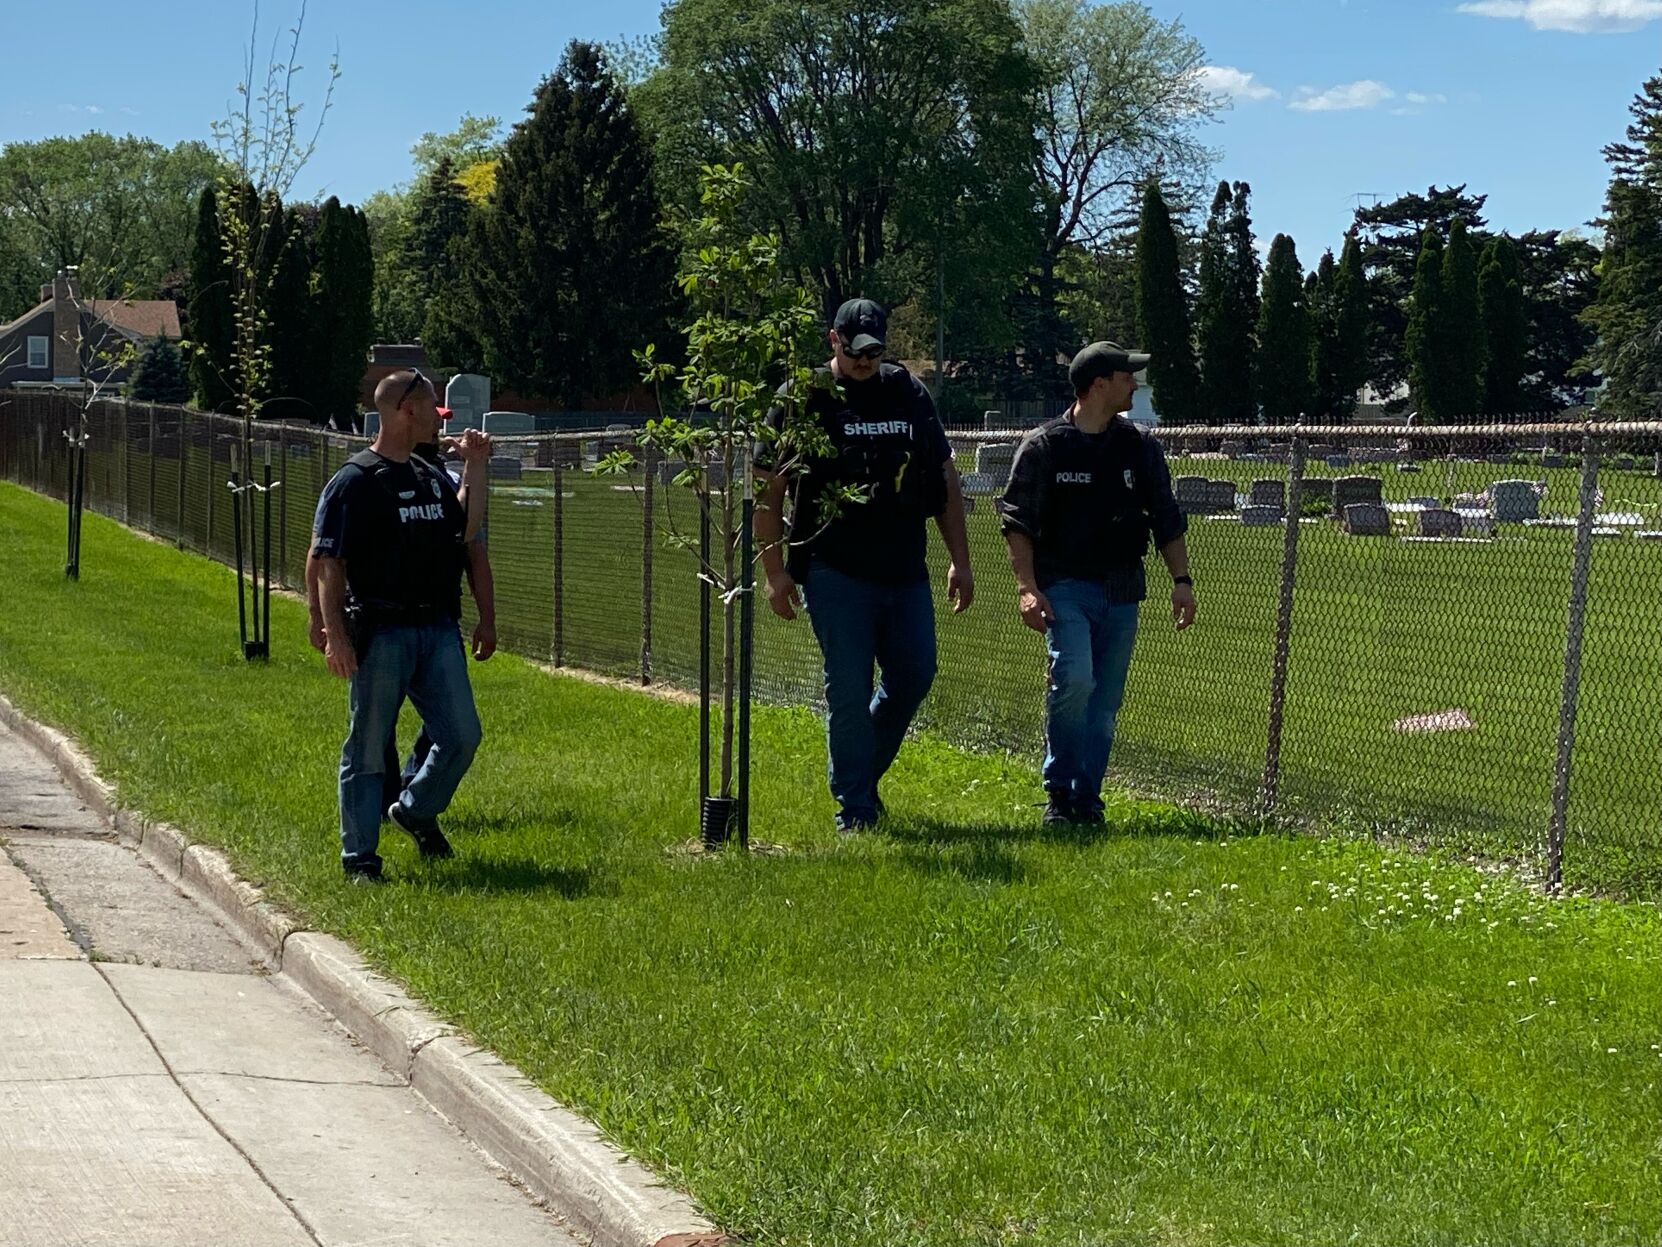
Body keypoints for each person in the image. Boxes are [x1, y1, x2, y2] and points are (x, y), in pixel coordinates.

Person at [755, 297, 974, 833]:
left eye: (874, 352)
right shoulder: (804, 397)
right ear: (834, 340)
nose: (864, 362)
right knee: (848, 684)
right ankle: (855, 808)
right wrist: (774, 572)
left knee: (916, 673)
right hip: (833, 566)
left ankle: (858, 771)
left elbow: (944, 480)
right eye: (854, 351)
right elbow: (770, 486)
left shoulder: (908, 393)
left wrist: (960, 562)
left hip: (903, 567)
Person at [997, 342, 1196, 826]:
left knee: (1104, 706)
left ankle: (1087, 799)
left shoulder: (1139, 446)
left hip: (1122, 590)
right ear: (1099, 384)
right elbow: (1017, 521)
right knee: (1075, 679)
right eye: (1127, 377)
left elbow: (1165, 516)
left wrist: (1182, 580)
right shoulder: (1046, 446)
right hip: (1064, 587)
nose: (1135, 384)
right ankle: (1059, 792)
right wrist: (1027, 587)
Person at [309, 368, 491, 881]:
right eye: (433, 408)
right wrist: (334, 635)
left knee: (461, 736)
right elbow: (329, 563)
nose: (440, 420)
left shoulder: (430, 474)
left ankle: (412, 810)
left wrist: (475, 467)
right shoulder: (355, 481)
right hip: (382, 632)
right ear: (406, 411)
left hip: (436, 630)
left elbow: (467, 528)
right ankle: (360, 858)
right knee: (367, 746)